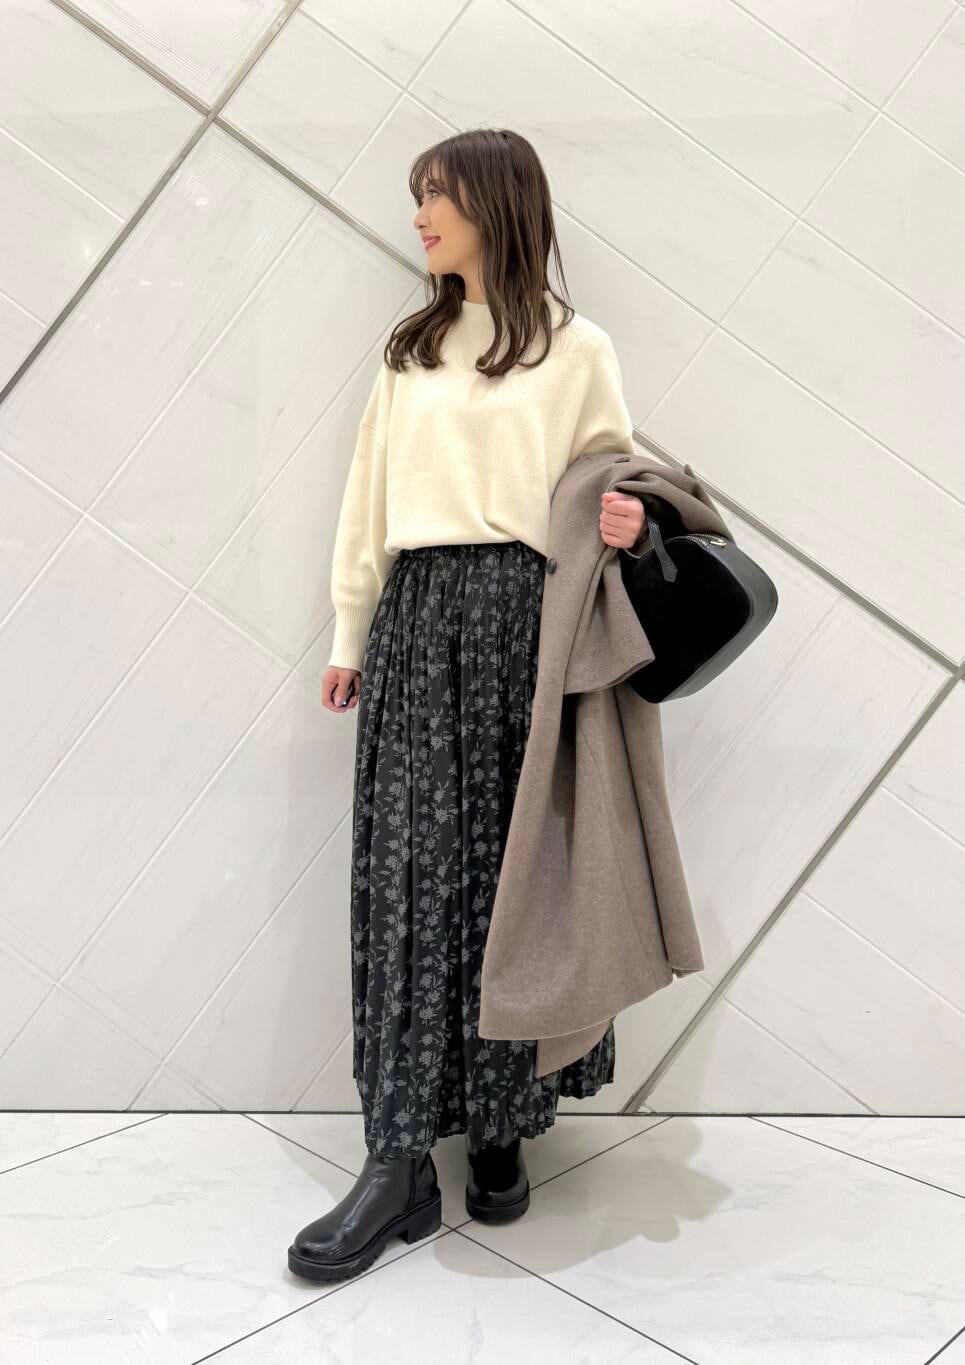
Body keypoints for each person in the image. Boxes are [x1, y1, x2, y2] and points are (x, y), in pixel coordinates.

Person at [288, 128, 646, 1285]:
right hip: (416, 618)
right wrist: (350, 631)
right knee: (407, 885)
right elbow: (367, 498)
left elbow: (610, 482)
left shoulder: (576, 349)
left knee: (511, 886)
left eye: (433, 197)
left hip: (525, 626)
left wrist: (627, 519)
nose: (418, 218)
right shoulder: (410, 349)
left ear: (494, 203)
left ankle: (500, 1128)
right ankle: (397, 1162)